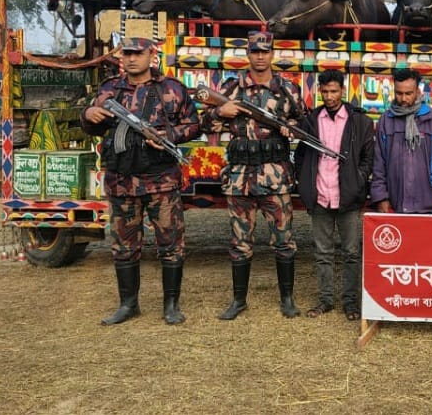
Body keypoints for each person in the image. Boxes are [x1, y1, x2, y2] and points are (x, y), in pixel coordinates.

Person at [81, 37, 200, 326]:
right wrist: (88, 114)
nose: (132, 58)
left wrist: (169, 136)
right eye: (127, 53)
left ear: (151, 55)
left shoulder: (171, 89)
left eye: (138, 53)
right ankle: (128, 304)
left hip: (161, 182)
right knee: (123, 245)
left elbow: (194, 124)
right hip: (121, 181)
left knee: (170, 244)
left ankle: (171, 306)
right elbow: (92, 126)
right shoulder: (110, 89)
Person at [202, 31, 306, 320]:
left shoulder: (287, 89)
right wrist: (220, 112)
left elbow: (304, 121)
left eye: (265, 51)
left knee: (284, 241)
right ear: (248, 54)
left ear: (272, 54)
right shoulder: (231, 88)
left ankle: (287, 299)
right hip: (239, 178)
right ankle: (238, 301)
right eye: (255, 51)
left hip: (275, 177)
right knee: (240, 243)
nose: (260, 56)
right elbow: (204, 122)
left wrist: (290, 128)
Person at [295, 69, 375, 321]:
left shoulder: (359, 121)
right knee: (323, 253)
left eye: (334, 91)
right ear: (320, 91)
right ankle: (326, 300)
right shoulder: (311, 120)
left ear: (343, 90)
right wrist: (305, 183)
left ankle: (350, 303)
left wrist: (357, 180)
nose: (329, 97)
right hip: (320, 195)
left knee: (351, 253)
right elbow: (301, 156)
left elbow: (368, 157)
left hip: (348, 197)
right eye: (325, 91)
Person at [370, 69, 432, 214]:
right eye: (399, 93)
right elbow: (379, 163)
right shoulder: (386, 120)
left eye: (408, 93)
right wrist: (381, 196)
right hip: (395, 203)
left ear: (418, 92)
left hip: (428, 203)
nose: (403, 98)